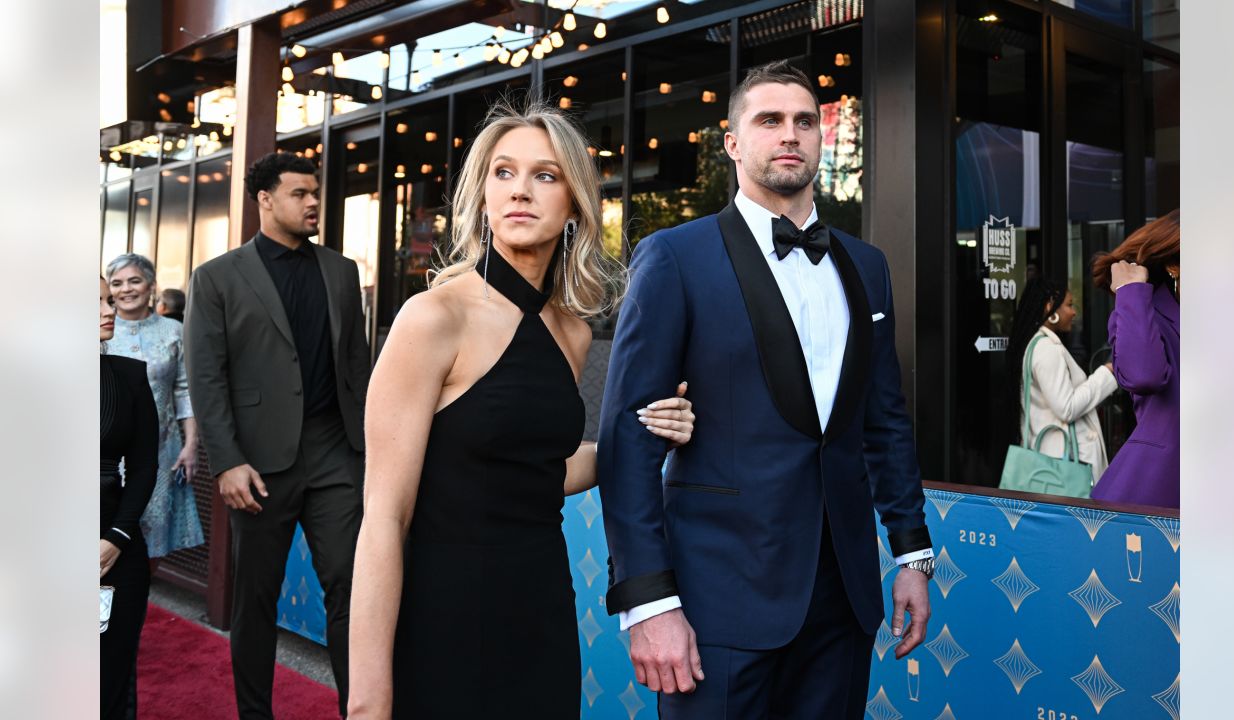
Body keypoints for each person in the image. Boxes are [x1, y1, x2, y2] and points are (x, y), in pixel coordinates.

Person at [597, 60, 933, 718]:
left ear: (821, 139)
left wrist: (912, 552)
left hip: (843, 598)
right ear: (732, 142)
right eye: (769, 120)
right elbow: (628, 442)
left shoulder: (867, 267)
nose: (790, 134)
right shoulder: (674, 257)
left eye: (805, 121)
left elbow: (884, 421)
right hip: (717, 600)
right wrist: (649, 601)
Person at [345, 101, 696, 719]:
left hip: (540, 608)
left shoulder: (572, 331)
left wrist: (649, 436)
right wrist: (368, 702)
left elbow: (541, 470)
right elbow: (383, 520)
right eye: (503, 173)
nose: (520, 192)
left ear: (575, 204)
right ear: (481, 196)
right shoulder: (433, 318)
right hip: (442, 613)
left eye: (545, 175)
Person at [184, 152, 370, 719]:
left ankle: (358, 709)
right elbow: (206, 377)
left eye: (315, 192)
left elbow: (358, 366)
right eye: (299, 193)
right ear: (265, 200)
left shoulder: (341, 271)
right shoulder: (216, 277)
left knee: (352, 588)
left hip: (337, 453)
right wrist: (228, 460)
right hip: (259, 463)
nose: (313, 202)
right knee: (256, 597)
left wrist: (374, 447)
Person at [104, 254, 205, 559]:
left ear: (151, 285)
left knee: (153, 545)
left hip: (163, 451)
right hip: (111, 452)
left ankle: (139, 606)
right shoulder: (101, 329)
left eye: (134, 281)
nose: (126, 289)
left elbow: (185, 390)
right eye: (117, 284)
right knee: (108, 537)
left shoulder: (174, 331)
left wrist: (191, 445)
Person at [1089, 209, 1180, 507]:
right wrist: (1130, 291)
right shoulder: (1144, 314)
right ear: (1173, 266)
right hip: (1162, 497)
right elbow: (1143, 375)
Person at [100, 276, 159, 719]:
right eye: (97, 302)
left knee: (111, 677)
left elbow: (143, 467)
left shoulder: (129, 376)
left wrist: (117, 536)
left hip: (116, 541)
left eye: (108, 300)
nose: (109, 309)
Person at [1007, 278, 1117, 485]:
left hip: (1051, 461)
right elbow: (1066, 407)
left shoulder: (1036, 345)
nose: (1074, 312)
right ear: (1050, 306)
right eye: (1069, 304)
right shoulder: (1047, 349)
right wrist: (1106, 373)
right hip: (1064, 466)